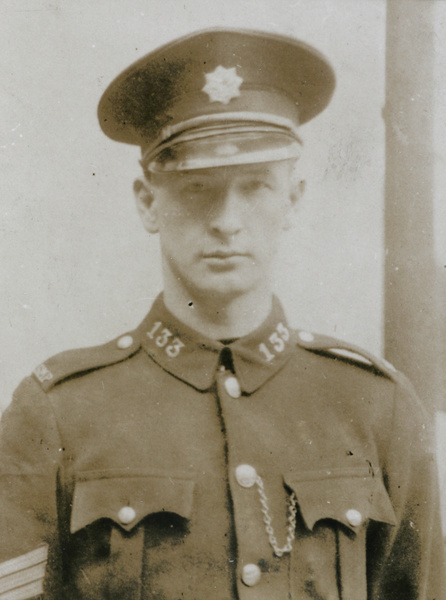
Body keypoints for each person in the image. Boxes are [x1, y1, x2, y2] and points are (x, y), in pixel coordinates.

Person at [0, 28, 443, 600]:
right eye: (197, 188)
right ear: (147, 201)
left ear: (294, 198)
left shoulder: (378, 408)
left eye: (255, 186)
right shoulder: (57, 417)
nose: (227, 220)